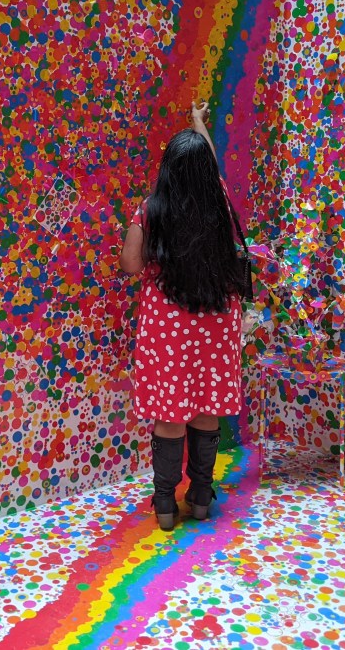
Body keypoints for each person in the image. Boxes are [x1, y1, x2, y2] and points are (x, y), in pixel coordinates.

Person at [119, 99, 246, 531]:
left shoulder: (150, 210)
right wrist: (198, 122)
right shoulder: (220, 204)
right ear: (207, 173)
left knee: (170, 412)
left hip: (168, 326)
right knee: (206, 406)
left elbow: (131, 265)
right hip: (216, 320)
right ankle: (201, 496)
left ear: (168, 170)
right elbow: (208, 163)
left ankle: (165, 504)